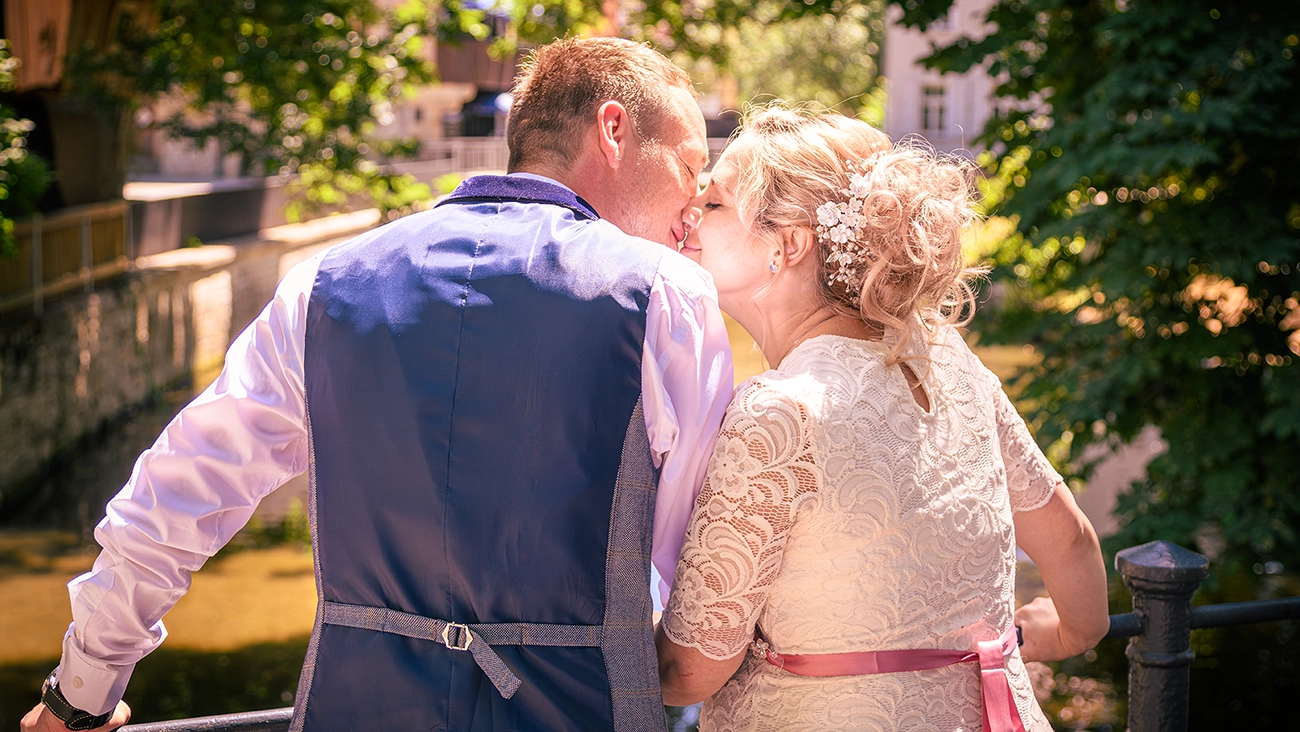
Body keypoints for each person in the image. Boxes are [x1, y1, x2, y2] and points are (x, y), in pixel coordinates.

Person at [22, 38, 734, 732]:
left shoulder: (325, 285)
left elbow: (177, 491)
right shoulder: (666, 298)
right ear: (613, 131)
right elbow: (697, 574)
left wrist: (81, 690)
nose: (697, 197)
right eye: (690, 163)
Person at [655, 106, 1110, 731]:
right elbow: (1072, 541)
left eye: (714, 204)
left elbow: (688, 672)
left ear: (787, 244)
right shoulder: (949, 361)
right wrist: (1065, 634)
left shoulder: (779, 413)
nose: (690, 214)